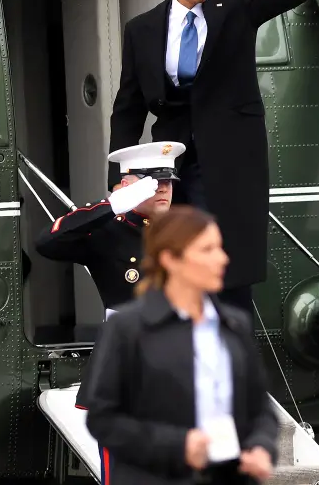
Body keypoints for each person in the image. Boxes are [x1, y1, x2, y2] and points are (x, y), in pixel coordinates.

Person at [107, 0, 319, 316]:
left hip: (225, 158)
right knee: (170, 261)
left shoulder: (234, 2)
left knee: (223, 266)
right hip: (169, 163)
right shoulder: (143, 29)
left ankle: (233, 356)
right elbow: (129, 107)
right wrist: (120, 178)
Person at [82, 205, 278, 485]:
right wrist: (179, 446)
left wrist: (261, 447)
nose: (222, 259)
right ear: (170, 260)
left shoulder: (235, 325)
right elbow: (102, 419)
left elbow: (260, 410)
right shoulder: (128, 329)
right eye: (207, 250)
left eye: (220, 248)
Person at [35, 141, 184, 311]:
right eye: (154, 181)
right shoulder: (108, 231)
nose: (164, 188)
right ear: (127, 187)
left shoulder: (185, 231)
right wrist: (109, 206)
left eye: (168, 181)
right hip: (129, 334)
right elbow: (46, 243)